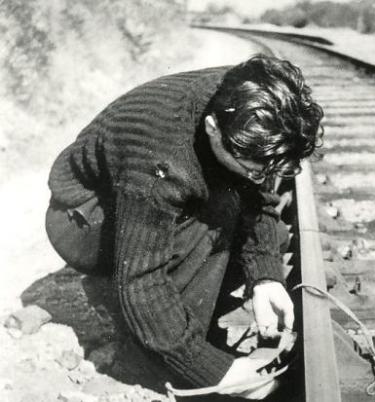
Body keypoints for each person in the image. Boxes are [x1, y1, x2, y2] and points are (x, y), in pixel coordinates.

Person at [45, 54, 323, 398]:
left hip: (140, 195)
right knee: (214, 218)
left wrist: (265, 277)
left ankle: (182, 320)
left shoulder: (249, 104)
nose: (262, 179)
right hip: (85, 220)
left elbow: (259, 198)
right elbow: (140, 280)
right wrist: (216, 371)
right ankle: (143, 360)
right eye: (254, 169)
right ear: (212, 128)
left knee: (245, 213)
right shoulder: (161, 158)